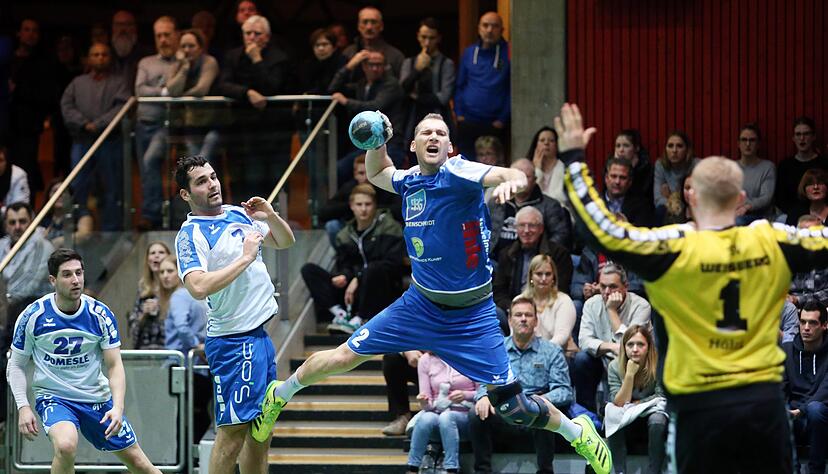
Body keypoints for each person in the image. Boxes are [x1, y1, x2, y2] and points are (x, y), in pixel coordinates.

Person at [267, 112, 613, 474]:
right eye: (426, 133)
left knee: (514, 409)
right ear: (414, 146)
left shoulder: (459, 172)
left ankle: (578, 432)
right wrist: (376, 142)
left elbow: (511, 174)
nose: (434, 137)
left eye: (441, 133)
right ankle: (281, 393)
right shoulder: (409, 180)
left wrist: (513, 180)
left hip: (472, 315)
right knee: (343, 356)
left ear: (449, 147)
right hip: (419, 305)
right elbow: (377, 173)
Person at [555, 102, 828, 473]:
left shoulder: (672, 247)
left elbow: (603, 231)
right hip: (763, 406)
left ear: (692, 196)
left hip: (699, 409)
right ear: (742, 201)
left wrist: (573, 158)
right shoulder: (772, 240)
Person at [174, 154, 295, 472]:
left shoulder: (236, 214)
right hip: (233, 342)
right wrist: (244, 259)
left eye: (213, 177)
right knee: (232, 434)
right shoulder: (190, 235)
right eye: (201, 181)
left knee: (260, 434)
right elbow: (198, 286)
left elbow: (285, 241)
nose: (212, 184)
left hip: (259, 337)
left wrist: (270, 216)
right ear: (186, 195)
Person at [5, 248, 161, 474]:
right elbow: (16, 364)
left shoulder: (100, 314)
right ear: (53, 280)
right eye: (67, 275)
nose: (75, 280)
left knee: (139, 463)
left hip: (96, 398)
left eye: (79, 273)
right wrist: (23, 407)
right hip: (55, 397)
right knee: (66, 445)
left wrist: (117, 407)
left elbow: (115, 365)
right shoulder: (33, 316)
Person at [469, 296, 573, 474]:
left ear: (536, 321)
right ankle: (482, 471)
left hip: (535, 414)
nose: (523, 319)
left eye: (528, 315)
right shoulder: (497, 349)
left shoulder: (551, 351)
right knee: (475, 413)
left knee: (545, 412)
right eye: (518, 315)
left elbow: (564, 391)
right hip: (504, 411)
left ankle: (546, 471)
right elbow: (483, 383)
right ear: (509, 320)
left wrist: (539, 401)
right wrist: (483, 396)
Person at [300, 184, 405, 333]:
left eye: (368, 204)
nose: (363, 209)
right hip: (354, 291)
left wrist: (359, 277)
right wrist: (344, 276)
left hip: (382, 288)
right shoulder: (345, 234)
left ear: (375, 205)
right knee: (309, 270)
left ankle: (361, 319)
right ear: (351, 206)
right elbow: (346, 265)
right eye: (359, 204)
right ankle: (341, 314)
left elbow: (392, 265)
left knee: (373, 270)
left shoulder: (390, 227)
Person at [217, 14, 294, 200]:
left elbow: (271, 87)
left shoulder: (279, 58)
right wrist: (247, 92)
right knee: (245, 179)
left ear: (267, 36)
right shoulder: (233, 56)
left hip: (274, 131)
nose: (251, 37)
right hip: (242, 130)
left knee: (274, 179)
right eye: (247, 33)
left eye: (257, 33)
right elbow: (223, 84)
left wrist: (257, 59)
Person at [60, 42, 129, 231]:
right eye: (96, 54)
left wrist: (98, 124)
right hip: (82, 141)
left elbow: (122, 107)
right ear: (89, 58)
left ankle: (111, 230)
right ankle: (80, 227)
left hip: (109, 141)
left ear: (110, 58)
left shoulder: (119, 82)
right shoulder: (78, 83)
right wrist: (83, 123)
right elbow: (66, 106)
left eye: (104, 54)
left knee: (112, 187)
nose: (100, 58)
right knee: (79, 184)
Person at [575, 263, 651, 413]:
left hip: (634, 361)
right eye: (603, 287)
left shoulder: (641, 306)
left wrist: (611, 310)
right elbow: (584, 341)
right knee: (581, 359)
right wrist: (611, 347)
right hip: (602, 357)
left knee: (626, 359)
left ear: (626, 286)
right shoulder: (591, 304)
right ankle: (587, 416)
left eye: (613, 287)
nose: (607, 292)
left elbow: (630, 346)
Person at [157, 254, 210, 440]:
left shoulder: (182, 295)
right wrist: (199, 346)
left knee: (190, 416)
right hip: (191, 365)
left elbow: (183, 327)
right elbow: (184, 327)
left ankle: (188, 462)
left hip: (189, 366)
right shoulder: (190, 296)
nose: (164, 276)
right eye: (161, 272)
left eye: (169, 271)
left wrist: (198, 346)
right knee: (193, 415)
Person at [135, 16, 180, 229]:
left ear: (176, 35)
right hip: (144, 123)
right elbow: (139, 89)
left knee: (152, 160)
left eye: (167, 35)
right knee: (146, 169)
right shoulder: (146, 62)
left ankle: (168, 212)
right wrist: (163, 91)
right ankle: (152, 213)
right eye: (159, 35)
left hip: (170, 125)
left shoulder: (182, 61)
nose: (163, 40)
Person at [606, 324, 667, 474]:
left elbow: (661, 395)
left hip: (652, 411)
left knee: (658, 419)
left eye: (640, 344)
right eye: (630, 344)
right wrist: (629, 375)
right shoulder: (614, 366)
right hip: (627, 415)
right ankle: (620, 471)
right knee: (611, 413)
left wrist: (639, 403)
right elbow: (619, 402)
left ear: (648, 347)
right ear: (624, 347)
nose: (635, 349)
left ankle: (655, 471)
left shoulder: (659, 365)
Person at [492, 205, 573, 313]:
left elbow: (561, 288)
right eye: (521, 225)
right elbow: (499, 291)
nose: (526, 230)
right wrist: (512, 307)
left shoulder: (558, 254)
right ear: (516, 228)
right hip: (514, 310)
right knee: (495, 314)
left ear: (541, 228)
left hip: (547, 309)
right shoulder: (507, 253)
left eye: (531, 225)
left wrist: (536, 309)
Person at [488, 158, 573, 260]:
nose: (520, 182)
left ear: (535, 180)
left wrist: (542, 257)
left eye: (526, 177)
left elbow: (561, 236)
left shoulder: (550, 205)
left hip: (533, 262)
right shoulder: (496, 202)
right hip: (495, 261)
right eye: (515, 177)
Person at [407, 352, 477, 474]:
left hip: (466, 414)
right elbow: (427, 402)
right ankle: (412, 467)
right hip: (438, 410)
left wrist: (465, 395)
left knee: (447, 417)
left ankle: (451, 468)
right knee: (425, 419)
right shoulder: (426, 360)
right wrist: (423, 402)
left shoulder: (472, 354)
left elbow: (483, 393)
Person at [454, 12, 510, 158]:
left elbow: (512, 89)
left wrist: (502, 119)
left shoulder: (508, 52)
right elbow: (460, 84)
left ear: (502, 30)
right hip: (468, 121)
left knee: (494, 168)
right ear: (479, 28)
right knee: (465, 167)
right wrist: (459, 114)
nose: (490, 30)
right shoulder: (469, 52)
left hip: (494, 123)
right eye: (486, 25)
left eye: (495, 26)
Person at [782, 303, 828, 474]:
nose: (806, 328)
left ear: (824, 325)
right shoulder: (787, 351)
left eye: (813, 323)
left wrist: (800, 410)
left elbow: (825, 391)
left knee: (816, 409)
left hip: (821, 418)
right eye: (802, 322)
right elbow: (781, 387)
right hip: (794, 417)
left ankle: (816, 471)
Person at [166, 29, 220, 165]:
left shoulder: (209, 62)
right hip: (190, 124)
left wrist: (182, 96)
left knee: (203, 160)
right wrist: (184, 67)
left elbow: (201, 89)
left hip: (213, 123)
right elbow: (172, 90)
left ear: (200, 48)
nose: (186, 50)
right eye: (183, 46)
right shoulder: (178, 64)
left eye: (191, 46)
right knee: (194, 161)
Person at [399, 18, 455, 146]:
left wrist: (416, 97)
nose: (427, 42)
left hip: (439, 119)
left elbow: (443, 97)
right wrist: (417, 70)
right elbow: (402, 92)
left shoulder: (446, 64)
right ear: (418, 37)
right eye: (424, 37)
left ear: (439, 38)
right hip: (412, 121)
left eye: (432, 38)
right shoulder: (409, 63)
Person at [0, 202, 55, 322]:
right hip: (7, 311)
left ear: (32, 222)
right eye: (12, 222)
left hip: (36, 312)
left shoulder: (43, 247)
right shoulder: (2, 245)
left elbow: (26, 287)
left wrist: (3, 299)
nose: (17, 227)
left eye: (22, 221)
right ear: (5, 225)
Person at [520, 254, 578, 358]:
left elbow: (561, 337)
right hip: (525, 355)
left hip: (558, 356)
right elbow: (515, 336)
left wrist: (540, 353)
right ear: (531, 277)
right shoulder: (520, 301)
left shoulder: (564, 301)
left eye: (548, 274)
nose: (543, 278)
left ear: (553, 278)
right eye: (539, 274)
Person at [776, 117, 828, 219]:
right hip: (792, 213)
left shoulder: (824, 164)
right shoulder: (785, 166)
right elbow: (780, 199)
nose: (802, 138)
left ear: (814, 137)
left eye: (806, 134)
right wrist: (797, 213)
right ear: (793, 138)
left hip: (822, 212)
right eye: (798, 134)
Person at [128, 242, 171, 349]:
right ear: (148, 260)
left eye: (161, 252)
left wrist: (162, 306)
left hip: (169, 349)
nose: (156, 255)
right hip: (145, 350)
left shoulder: (176, 288)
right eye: (152, 253)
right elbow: (132, 328)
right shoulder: (143, 288)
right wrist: (144, 313)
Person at [341, 7, 405, 79]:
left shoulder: (395, 55)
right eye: (365, 22)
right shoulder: (349, 52)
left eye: (374, 22)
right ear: (358, 26)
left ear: (381, 26)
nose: (369, 27)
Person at [653, 131, 698, 225]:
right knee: (660, 211)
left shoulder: (696, 165)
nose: (674, 150)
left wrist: (671, 198)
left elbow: (698, 198)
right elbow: (658, 200)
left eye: (679, 146)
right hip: (669, 212)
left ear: (687, 149)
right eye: (670, 146)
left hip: (692, 209)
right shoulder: (660, 165)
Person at [735, 123, 776, 224]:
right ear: (738, 144)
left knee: (737, 221)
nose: (748, 144)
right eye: (744, 140)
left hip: (760, 216)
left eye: (752, 140)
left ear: (758, 144)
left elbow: (765, 198)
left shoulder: (768, 167)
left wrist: (746, 207)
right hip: (734, 213)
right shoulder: (731, 168)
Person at [41, 179, 94, 248]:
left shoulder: (80, 213)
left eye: (64, 191)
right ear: (49, 196)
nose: (59, 194)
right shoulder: (43, 217)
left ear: (70, 196)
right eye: (55, 191)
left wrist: (59, 241)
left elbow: (85, 235)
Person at [611, 129, 653, 203]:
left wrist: (631, 170)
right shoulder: (609, 168)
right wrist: (615, 166)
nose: (621, 150)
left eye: (626, 146)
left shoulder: (646, 169)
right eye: (618, 146)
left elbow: (640, 197)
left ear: (636, 148)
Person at [0, 144, 30, 212]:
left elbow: (19, 207)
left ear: (7, 162)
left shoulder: (19, 175)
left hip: (11, 219)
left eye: (0, 160)